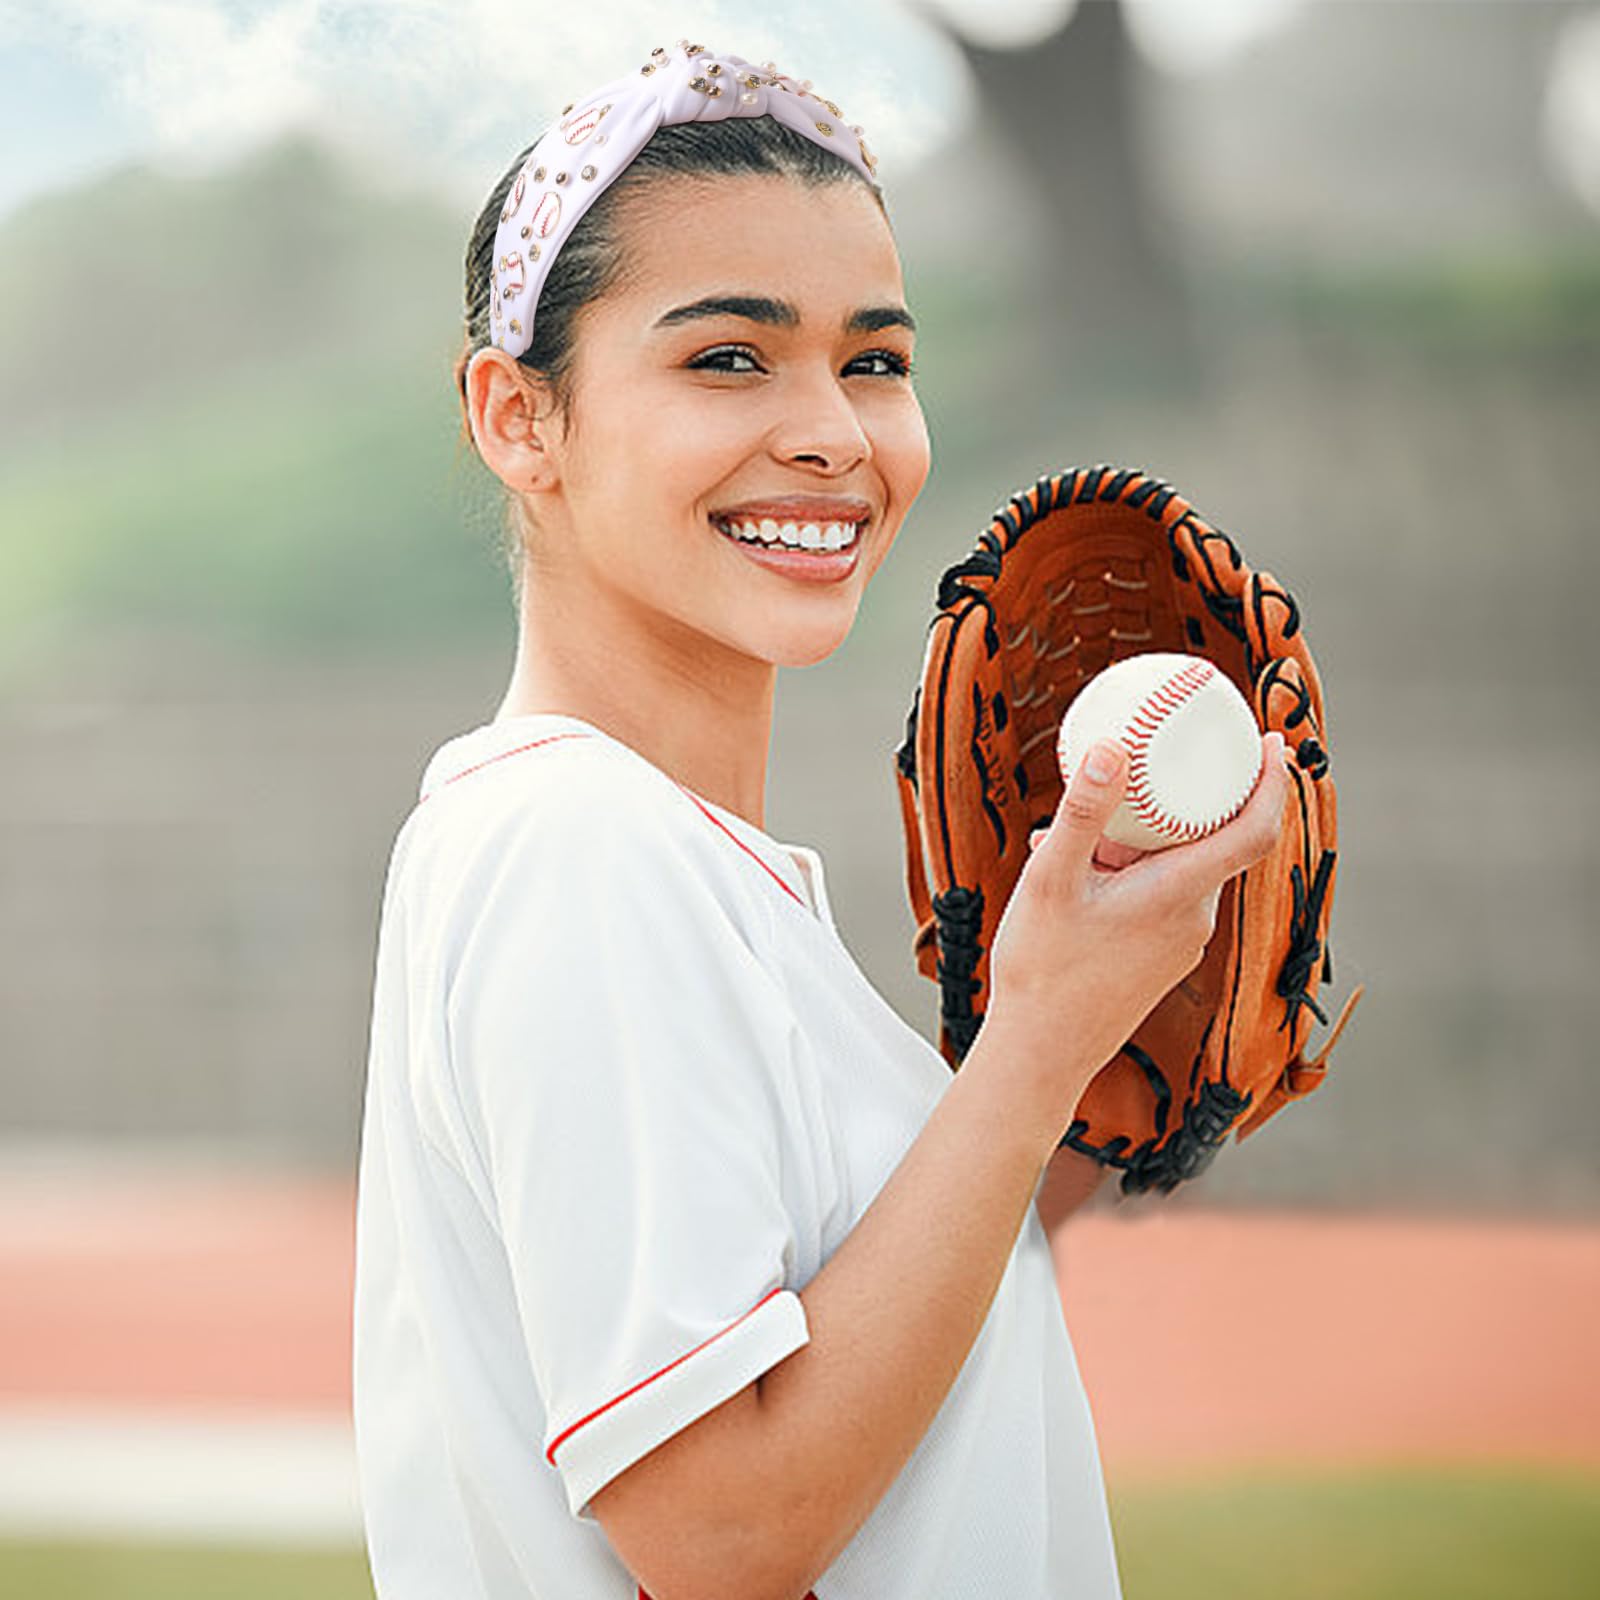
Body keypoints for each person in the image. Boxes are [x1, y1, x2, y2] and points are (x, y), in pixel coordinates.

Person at [351, 38, 1290, 1600]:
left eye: (875, 358)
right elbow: (721, 1531)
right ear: (520, 419)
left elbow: (875, 1349)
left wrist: (1087, 1065)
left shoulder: (662, 862)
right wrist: (1039, 1039)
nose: (835, 433)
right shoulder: (577, 851)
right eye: (728, 358)